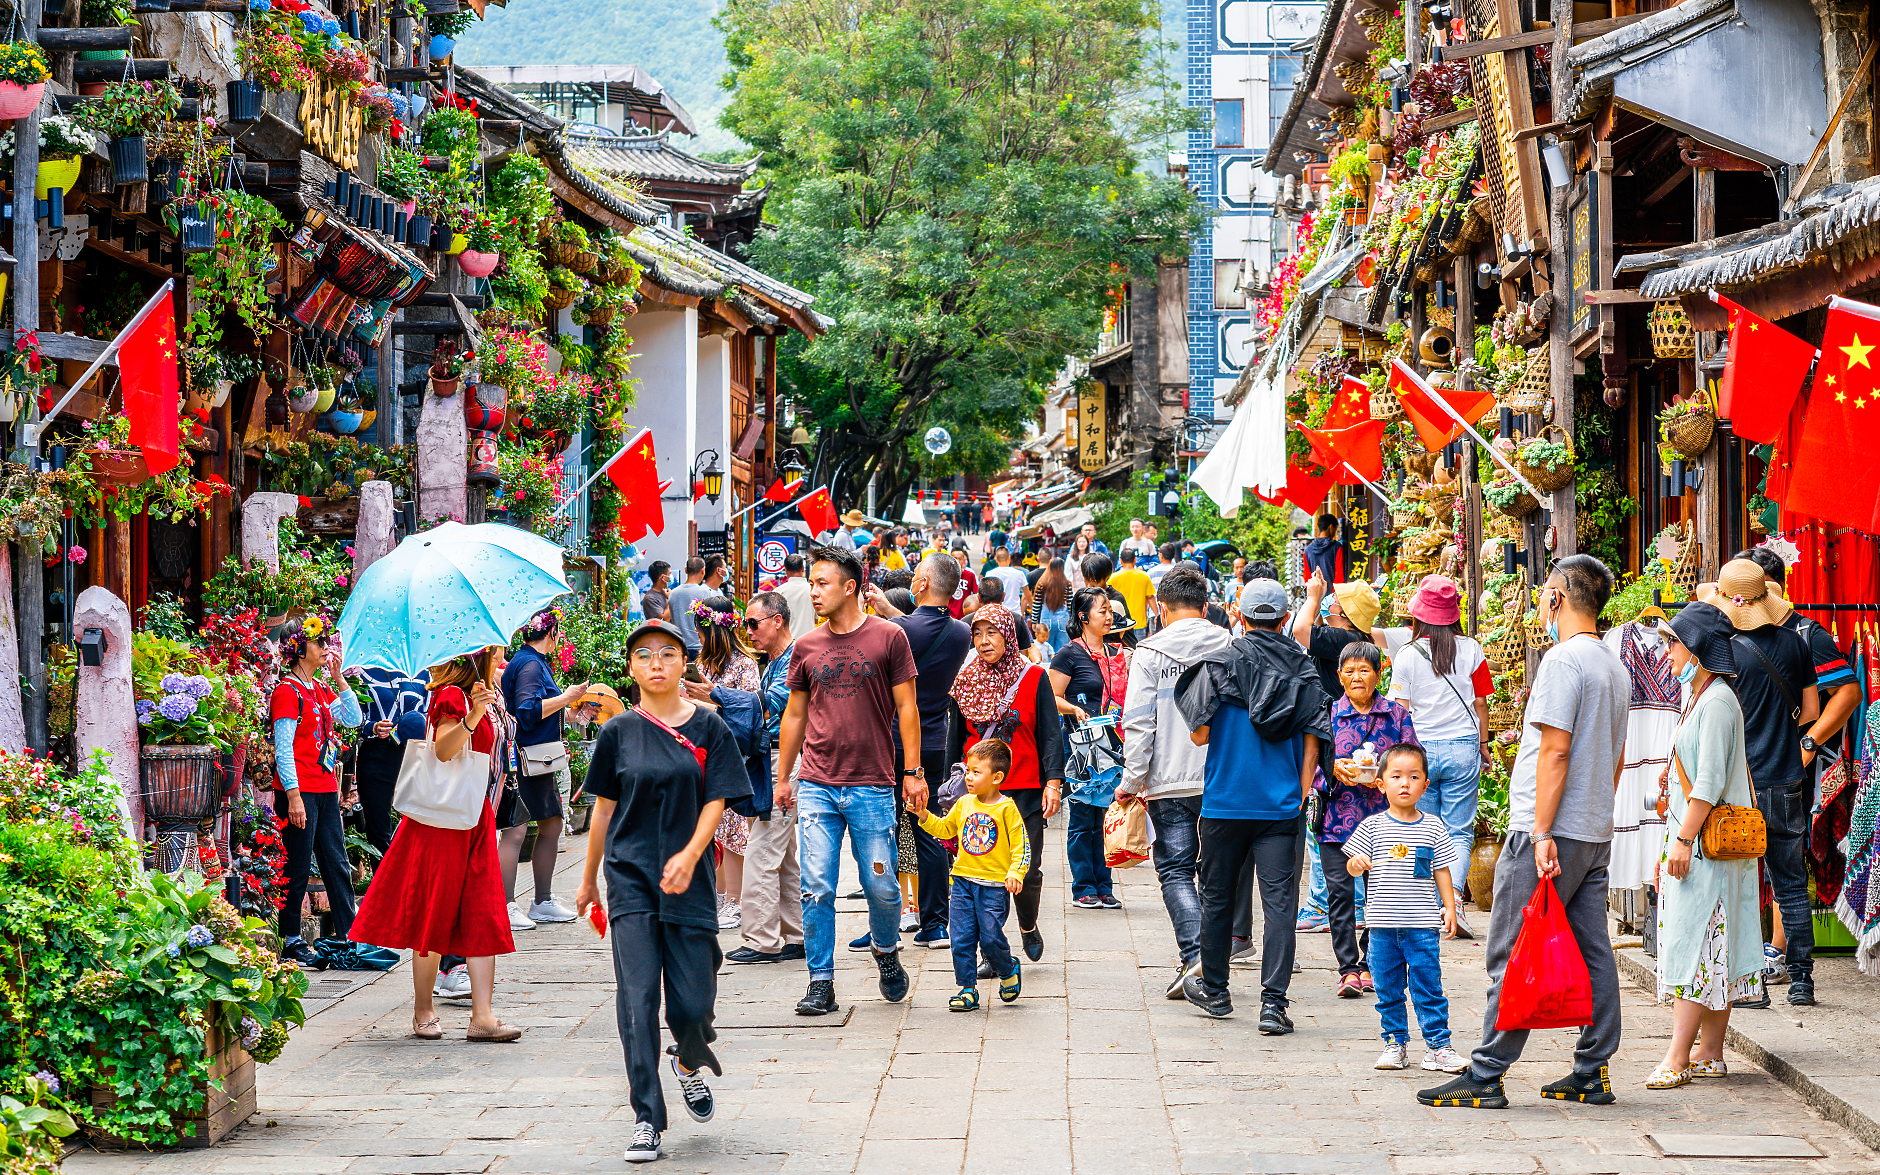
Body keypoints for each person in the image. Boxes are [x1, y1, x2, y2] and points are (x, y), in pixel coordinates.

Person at [1419, 555, 1628, 1111]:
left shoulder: (1564, 660)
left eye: (1543, 593)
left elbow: (1556, 750)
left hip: (1550, 831)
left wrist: (1540, 831)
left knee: (1512, 950)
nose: (1539, 602)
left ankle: (1485, 1074)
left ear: (1558, 597)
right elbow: (1615, 754)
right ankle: (1592, 1068)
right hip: (1591, 828)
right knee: (1592, 948)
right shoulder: (1613, 663)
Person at [574, 620, 751, 1163]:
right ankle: (647, 1116)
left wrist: (692, 854)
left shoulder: (709, 729)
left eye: (668, 653)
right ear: (631, 668)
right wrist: (586, 880)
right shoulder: (617, 732)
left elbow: (717, 800)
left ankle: (689, 1060)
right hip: (629, 877)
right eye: (645, 654)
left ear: (683, 665)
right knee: (637, 998)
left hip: (690, 879)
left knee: (694, 1004)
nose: (656, 662)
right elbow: (602, 807)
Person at [1174, 579, 1329, 1031]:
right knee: (1280, 903)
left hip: (1225, 800)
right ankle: (1273, 1005)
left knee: (1218, 896)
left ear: (1239, 617)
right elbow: (1314, 741)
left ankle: (1217, 992)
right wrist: (1299, 790)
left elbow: (1199, 734)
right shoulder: (1301, 667)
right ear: (1283, 619)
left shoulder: (1219, 664)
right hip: (1280, 804)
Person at [775, 545, 924, 1016]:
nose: (813, 592)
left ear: (851, 587)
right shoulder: (807, 646)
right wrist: (784, 776)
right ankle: (821, 980)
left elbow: (907, 708)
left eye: (822, 583)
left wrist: (913, 773)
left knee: (880, 885)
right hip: (817, 783)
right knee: (816, 885)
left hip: (873, 784)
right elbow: (795, 714)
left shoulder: (889, 637)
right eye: (812, 582)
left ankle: (885, 949)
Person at [350, 647, 520, 1042]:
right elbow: (443, 751)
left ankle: (483, 1016)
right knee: (433, 913)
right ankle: (423, 1010)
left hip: (474, 815)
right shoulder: (451, 696)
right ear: (476, 655)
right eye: (495, 649)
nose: (502, 652)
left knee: (483, 913)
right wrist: (476, 714)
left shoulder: (484, 691)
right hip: (444, 821)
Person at [1696, 558, 1821, 1006]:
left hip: (1740, 786)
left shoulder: (1722, 648)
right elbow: (1809, 713)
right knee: (1789, 882)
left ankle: (1751, 984)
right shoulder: (1795, 643)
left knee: (1741, 884)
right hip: (1786, 777)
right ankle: (1802, 979)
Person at [1735, 545, 1860, 994]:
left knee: (1756, 872)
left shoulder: (1806, 634)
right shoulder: (1785, 640)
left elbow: (1847, 693)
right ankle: (1796, 972)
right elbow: (1813, 704)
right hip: (1781, 772)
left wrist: (1809, 743)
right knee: (1783, 872)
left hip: (1764, 773)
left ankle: (1763, 962)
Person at [1646, 602, 1760, 1090]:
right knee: (1714, 945)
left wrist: (1683, 840)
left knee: (1695, 945)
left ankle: (1678, 1056)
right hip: (1704, 843)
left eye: (1673, 642)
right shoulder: (1704, 697)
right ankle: (1710, 1052)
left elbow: (1709, 782)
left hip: (1704, 843)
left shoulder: (1714, 702)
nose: (1666, 651)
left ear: (1695, 650)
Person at [1119, 568, 1235, 997]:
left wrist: (1132, 779)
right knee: (1216, 874)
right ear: (1205, 607)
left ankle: (1194, 956)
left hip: (1167, 781)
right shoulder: (1231, 645)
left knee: (1174, 870)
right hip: (1221, 777)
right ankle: (1207, 959)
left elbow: (1138, 723)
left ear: (1161, 609)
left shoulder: (1148, 653)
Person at [1373, 575, 1492, 936]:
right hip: (1462, 747)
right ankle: (1452, 902)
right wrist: (1484, 746)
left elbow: (1399, 710)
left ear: (1420, 616)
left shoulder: (1406, 655)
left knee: (1426, 830)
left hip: (1420, 752)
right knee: (1457, 830)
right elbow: (1482, 703)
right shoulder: (1472, 649)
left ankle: (1425, 907)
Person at [945, 604, 1065, 963]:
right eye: (977, 634)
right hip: (978, 793)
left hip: (1025, 790)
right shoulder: (965, 680)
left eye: (992, 633)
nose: (983, 641)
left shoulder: (1033, 677)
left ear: (1009, 636)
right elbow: (956, 737)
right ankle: (990, 951)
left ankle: (1027, 925)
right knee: (983, 873)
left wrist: (1053, 783)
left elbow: (1049, 735)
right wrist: (952, 783)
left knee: (1025, 869)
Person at [1344, 743, 1466, 1074]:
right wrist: (1357, 864)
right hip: (1382, 926)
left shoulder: (1433, 827)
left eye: (1414, 777)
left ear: (1425, 785)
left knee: (1429, 985)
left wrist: (1450, 906)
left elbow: (1441, 869)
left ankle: (1438, 1047)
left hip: (1422, 925)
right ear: (1381, 783)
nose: (1405, 783)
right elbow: (1353, 867)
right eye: (1396, 776)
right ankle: (1395, 1043)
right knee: (1387, 989)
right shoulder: (1372, 826)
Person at [1318, 641, 1417, 998]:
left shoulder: (1396, 716)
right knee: (1340, 895)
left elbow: (1413, 764)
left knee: (1381, 895)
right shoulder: (1326, 715)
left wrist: (1388, 776)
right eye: (1350, 671)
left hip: (1385, 822)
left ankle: (1370, 963)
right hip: (1337, 822)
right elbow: (1309, 765)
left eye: (1365, 670)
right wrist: (1332, 768)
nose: (1357, 677)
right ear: (1340, 676)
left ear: (1378, 674)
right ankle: (1347, 969)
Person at [270, 616, 365, 968]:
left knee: (336, 861)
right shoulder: (286, 691)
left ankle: (349, 931)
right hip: (300, 791)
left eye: (327, 641)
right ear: (298, 649)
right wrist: (293, 796)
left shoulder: (321, 689)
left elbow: (352, 718)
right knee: (297, 865)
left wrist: (339, 679)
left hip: (325, 789)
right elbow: (283, 748)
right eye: (319, 641)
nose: (326, 647)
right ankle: (292, 937)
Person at [919, 739, 1031, 1011]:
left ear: (997, 777)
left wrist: (1016, 873)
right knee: (961, 938)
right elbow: (946, 830)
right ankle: (967, 989)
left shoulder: (1007, 809)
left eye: (976, 772)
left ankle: (1007, 968)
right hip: (962, 883)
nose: (968, 777)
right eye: (968, 770)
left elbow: (1022, 846)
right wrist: (924, 815)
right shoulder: (964, 803)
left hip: (993, 887)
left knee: (991, 938)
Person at [675, 595, 762, 932]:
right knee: (716, 827)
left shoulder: (744, 665)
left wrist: (702, 704)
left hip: (734, 754)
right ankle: (721, 895)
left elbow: (747, 715)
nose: (697, 638)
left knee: (736, 826)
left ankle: (737, 901)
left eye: (700, 631)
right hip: (702, 752)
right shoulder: (705, 662)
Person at [727, 591, 805, 965]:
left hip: (783, 762)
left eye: (753, 623)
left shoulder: (793, 660)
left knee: (761, 849)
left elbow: (768, 704)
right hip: (774, 759)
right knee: (783, 852)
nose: (749, 631)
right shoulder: (774, 660)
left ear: (777, 620)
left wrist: (710, 695)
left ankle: (761, 939)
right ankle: (796, 934)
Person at [500, 607, 590, 927]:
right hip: (528, 758)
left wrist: (571, 712)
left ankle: (541, 900)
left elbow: (535, 708)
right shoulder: (530, 664)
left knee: (549, 824)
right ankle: (508, 906)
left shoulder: (528, 662)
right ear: (551, 634)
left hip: (535, 757)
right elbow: (527, 710)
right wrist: (567, 697)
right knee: (517, 830)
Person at [1051, 588, 1130, 909]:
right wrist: (1073, 709)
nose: (1109, 617)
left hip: (1113, 745)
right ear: (1083, 618)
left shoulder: (1116, 653)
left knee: (1106, 817)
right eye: (1102, 611)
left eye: (1110, 611)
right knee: (1083, 818)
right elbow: (1051, 698)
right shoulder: (1068, 654)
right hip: (1082, 747)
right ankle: (1084, 886)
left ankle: (1104, 885)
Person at [354, 665, 429, 855]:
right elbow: (351, 720)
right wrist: (372, 727)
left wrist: (415, 725)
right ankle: (383, 882)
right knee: (379, 831)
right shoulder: (362, 672)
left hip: (415, 754)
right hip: (376, 755)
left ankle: (411, 879)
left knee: (419, 824)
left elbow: (432, 715)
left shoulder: (423, 673)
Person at [1027, 557, 1073, 653]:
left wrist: (1034, 621)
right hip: (1063, 620)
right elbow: (1070, 605)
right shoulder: (1067, 584)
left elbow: (1037, 604)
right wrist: (1073, 621)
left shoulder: (1042, 583)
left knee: (1047, 649)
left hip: (1046, 620)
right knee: (1062, 651)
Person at [1106, 550, 1152, 640]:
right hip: (1139, 621)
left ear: (1121, 561)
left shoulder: (1113, 578)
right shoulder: (1144, 576)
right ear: (1135, 560)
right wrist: (1156, 615)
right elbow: (1150, 597)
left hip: (1121, 622)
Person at [667, 559, 711, 652]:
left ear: (686, 570)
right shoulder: (705, 593)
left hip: (679, 646)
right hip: (700, 646)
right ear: (703, 571)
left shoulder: (673, 593)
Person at [774, 554, 817, 639]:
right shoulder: (813, 591)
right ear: (802, 568)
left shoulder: (778, 592)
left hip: (786, 643)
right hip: (809, 641)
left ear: (786, 570)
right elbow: (816, 619)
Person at [1303, 514, 1345, 586]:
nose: (1335, 533)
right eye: (1335, 529)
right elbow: (1339, 576)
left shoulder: (1307, 550)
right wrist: (1333, 596)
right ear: (1331, 527)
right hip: (1333, 595)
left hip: (1315, 594)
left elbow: (1307, 577)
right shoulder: (1337, 548)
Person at [985, 544, 1030, 610]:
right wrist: (1033, 611)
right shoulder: (1019, 574)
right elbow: (1027, 596)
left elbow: (986, 596)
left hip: (997, 613)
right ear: (1009, 558)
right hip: (1015, 613)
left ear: (996, 560)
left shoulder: (989, 574)